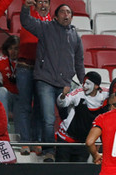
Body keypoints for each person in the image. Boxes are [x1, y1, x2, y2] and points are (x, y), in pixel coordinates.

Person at [21, 0, 85, 162]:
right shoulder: (46, 28)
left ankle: (68, 148)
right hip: (45, 81)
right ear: (55, 17)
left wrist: (84, 84)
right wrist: (25, 7)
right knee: (49, 119)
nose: (66, 15)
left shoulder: (76, 37)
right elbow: (26, 21)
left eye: (69, 13)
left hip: (65, 84)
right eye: (63, 12)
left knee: (68, 118)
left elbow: (79, 63)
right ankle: (49, 151)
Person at [15, 0, 52, 156]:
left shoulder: (53, 22)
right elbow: (24, 12)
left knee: (38, 106)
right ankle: (25, 141)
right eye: (40, 1)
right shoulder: (29, 15)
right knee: (24, 105)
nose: (43, 5)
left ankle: (36, 141)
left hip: (42, 70)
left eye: (46, 2)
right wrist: (26, 5)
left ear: (50, 5)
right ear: (34, 4)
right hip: (24, 67)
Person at [55, 71, 109, 162]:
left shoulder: (104, 94)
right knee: (61, 172)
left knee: (79, 173)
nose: (84, 86)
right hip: (66, 139)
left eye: (88, 83)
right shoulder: (78, 93)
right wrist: (63, 95)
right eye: (84, 83)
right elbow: (63, 103)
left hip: (84, 143)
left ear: (96, 86)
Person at [0, 35, 20, 123]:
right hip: (9, 97)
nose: (13, 52)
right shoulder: (0, 61)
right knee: (1, 91)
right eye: (10, 48)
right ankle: (4, 127)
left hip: (22, 98)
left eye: (16, 48)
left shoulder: (25, 61)